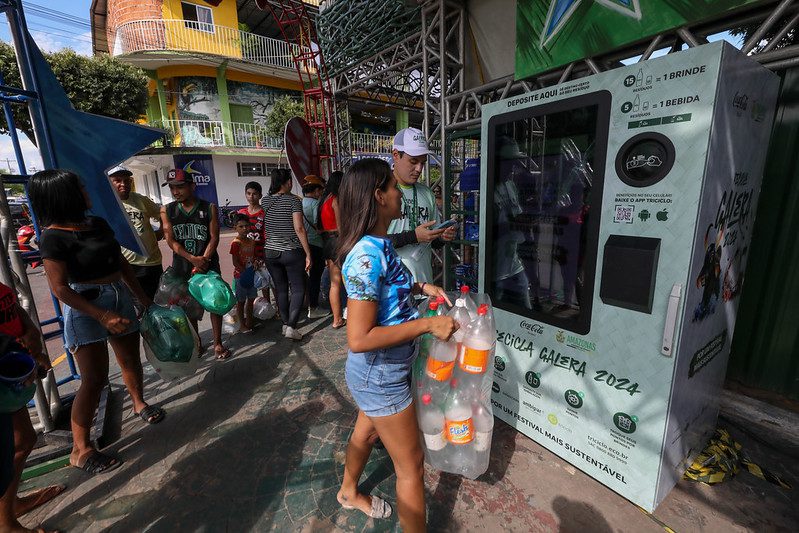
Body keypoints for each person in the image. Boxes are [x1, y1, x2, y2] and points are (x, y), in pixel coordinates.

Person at [335, 159, 457, 532]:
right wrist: (427, 325)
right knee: (411, 466)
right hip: (379, 374)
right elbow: (358, 339)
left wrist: (424, 288)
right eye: (392, 186)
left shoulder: (380, 244)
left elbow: (396, 284)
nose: (398, 192)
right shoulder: (366, 256)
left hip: (383, 371)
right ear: (378, 196)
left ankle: (348, 492)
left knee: (366, 432)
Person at [30, 169, 164, 477]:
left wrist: (142, 299)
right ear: (63, 195)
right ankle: (81, 449)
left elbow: (121, 262)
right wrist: (101, 314)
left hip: (119, 295)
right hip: (84, 306)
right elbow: (59, 288)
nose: (86, 189)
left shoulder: (97, 223)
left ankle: (139, 403)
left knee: (130, 359)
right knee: (94, 379)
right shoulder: (52, 237)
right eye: (80, 185)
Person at [0, 283, 63, 533]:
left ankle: (9, 505)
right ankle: (6, 523)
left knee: (23, 439)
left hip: (11, 377)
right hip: (6, 373)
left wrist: (31, 333)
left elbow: (13, 307)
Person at [159, 169, 230, 360]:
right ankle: (198, 342)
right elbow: (170, 240)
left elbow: (214, 237)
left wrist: (203, 260)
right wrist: (192, 259)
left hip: (208, 265)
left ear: (192, 185)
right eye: (172, 188)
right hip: (183, 266)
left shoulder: (209, 207)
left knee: (215, 302)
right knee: (189, 307)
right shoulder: (167, 210)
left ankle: (217, 343)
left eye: (180, 187)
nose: (176, 192)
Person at [388, 127, 457, 283]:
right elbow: (370, 242)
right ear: (396, 155)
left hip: (424, 284)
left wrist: (443, 237)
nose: (419, 169)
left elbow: (432, 242)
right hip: (392, 290)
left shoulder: (427, 193)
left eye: (423, 163)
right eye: (413, 161)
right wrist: (413, 236)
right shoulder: (381, 191)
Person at [260, 169, 313, 341]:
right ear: (287, 182)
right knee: (298, 288)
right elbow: (299, 228)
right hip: (291, 251)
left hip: (270, 252)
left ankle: (285, 324)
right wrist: (308, 253)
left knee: (281, 289)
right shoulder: (293, 201)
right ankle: (291, 326)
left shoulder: (265, 200)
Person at [108, 165, 164, 301]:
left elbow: (162, 213)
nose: (123, 184)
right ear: (109, 182)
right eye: (118, 180)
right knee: (134, 305)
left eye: (127, 180)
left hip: (152, 263)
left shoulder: (141, 200)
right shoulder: (106, 204)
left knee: (157, 303)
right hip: (126, 265)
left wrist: (162, 231)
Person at [317, 171, 346, 329]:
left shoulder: (324, 199)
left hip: (327, 242)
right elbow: (341, 227)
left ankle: (337, 318)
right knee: (346, 281)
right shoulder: (336, 200)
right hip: (337, 242)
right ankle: (345, 315)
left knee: (335, 283)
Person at [237, 181, 273, 305]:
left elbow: (267, 236)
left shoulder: (264, 213)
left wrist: (261, 256)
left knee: (266, 282)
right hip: (245, 255)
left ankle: (268, 306)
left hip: (262, 254)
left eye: (255, 194)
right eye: (248, 193)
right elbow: (239, 236)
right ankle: (251, 309)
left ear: (260, 195)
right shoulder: (241, 213)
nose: (251, 197)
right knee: (247, 282)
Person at [301, 175, 328, 319]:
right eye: (321, 190)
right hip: (316, 244)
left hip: (304, 244)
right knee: (315, 277)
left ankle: (307, 302)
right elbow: (319, 226)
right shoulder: (315, 204)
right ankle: (314, 306)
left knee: (307, 276)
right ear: (316, 190)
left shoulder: (300, 202)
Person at [230, 214, 258, 334]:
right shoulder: (236, 243)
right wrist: (244, 272)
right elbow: (235, 261)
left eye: (247, 226)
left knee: (251, 299)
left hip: (251, 274)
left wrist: (256, 263)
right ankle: (242, 325)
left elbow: (254, 256)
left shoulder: (252, 242)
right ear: (235, 227)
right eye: (241, 226)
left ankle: (250, 321)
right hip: (240, 276)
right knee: (240, 302)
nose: (244, 229)